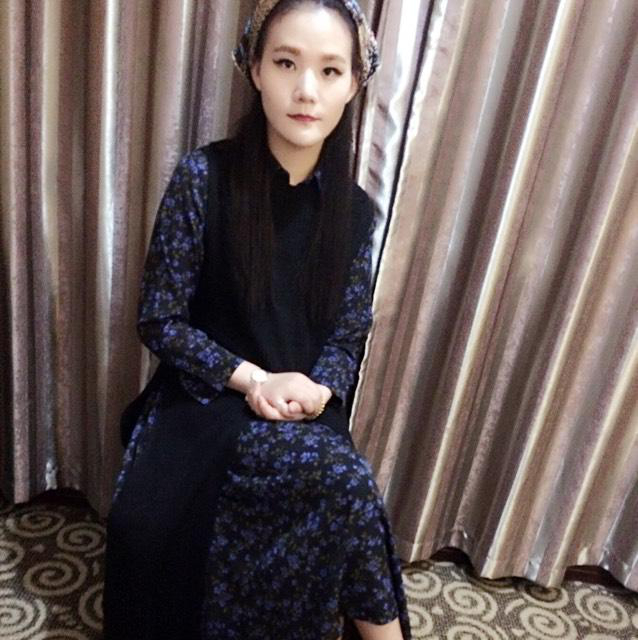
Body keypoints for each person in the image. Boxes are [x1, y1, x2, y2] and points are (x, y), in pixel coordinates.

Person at [102, 1, 411, 639]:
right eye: (287, 63)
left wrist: (318, 390)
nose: (307, 90)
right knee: (340, 485)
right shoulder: (203, 177)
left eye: (330, 71)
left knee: (341, 482)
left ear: (354, 85)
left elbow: (349, 334)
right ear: (256, 70)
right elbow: (160, 319)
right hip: (203, 399)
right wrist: (253, 379)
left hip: (302, 405)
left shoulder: (355, 213)